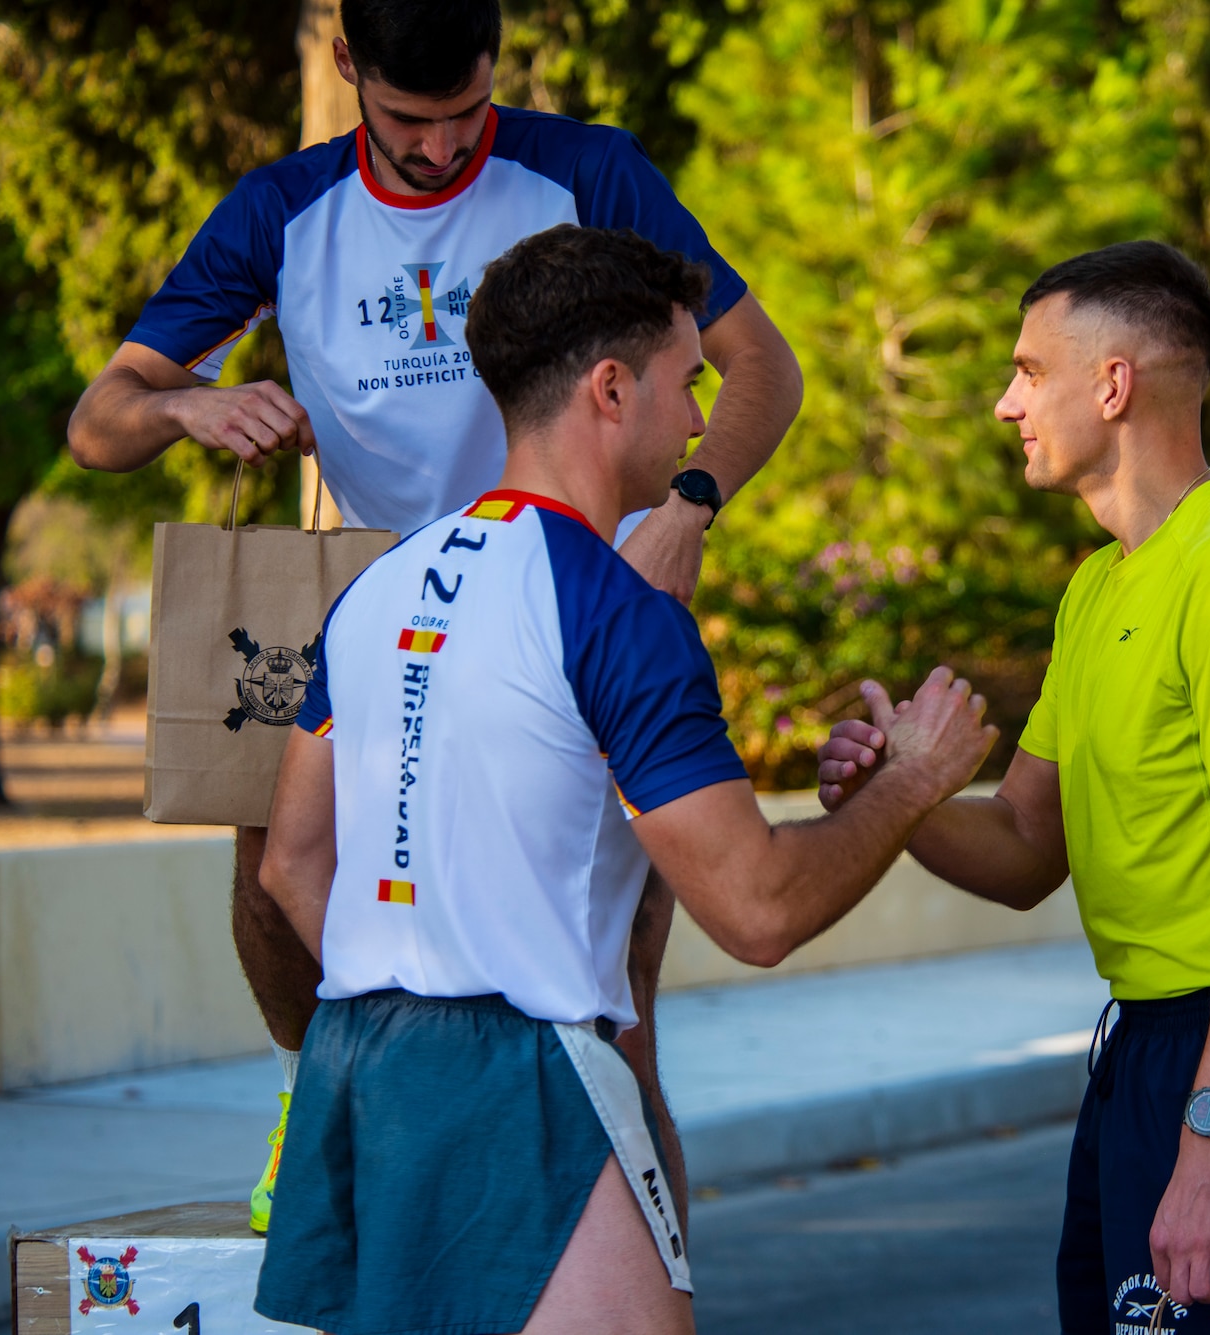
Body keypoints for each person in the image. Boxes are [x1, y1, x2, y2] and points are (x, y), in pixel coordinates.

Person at [64, 0, 802, 1232]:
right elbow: (101, 420)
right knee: (271, 876)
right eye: (409, 121)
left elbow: (761, 365)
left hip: (567, 618)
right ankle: (324, 1104)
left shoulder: (587, 170)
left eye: (467, 113)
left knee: (612, 1007)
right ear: (345, 65)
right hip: (389, 615)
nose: (443, 147)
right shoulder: (281, 210)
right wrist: (183, 409)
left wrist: (686, 503)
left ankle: (637, 1268)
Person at [251, 224, 993, 1335]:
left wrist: (421, 980)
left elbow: (290, 865)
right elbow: (756, 909)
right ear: (611, 389)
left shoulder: (376, 586)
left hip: (360, 1071)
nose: (700, 418)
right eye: (685, 381)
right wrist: (913, 783)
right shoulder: (615, 613)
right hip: (523, 1082)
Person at [817, 241, 1210, 1333]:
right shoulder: (1096, 590)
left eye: (1027, 371)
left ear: (1113, 383)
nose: (1005, 404)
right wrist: (893, 799)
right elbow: (1023, 849)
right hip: (1146, 1051)